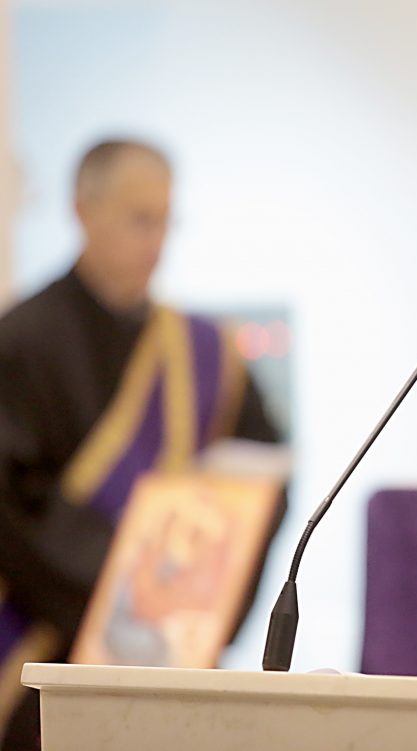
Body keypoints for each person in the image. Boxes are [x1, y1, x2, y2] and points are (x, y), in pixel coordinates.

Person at [0, 140, 286, 750]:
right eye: (140, 219)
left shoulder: (204, 351)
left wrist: (198, 606)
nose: (157, 241)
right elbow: (12, 504)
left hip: (172, 645)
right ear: (83, 210)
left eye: (165, 220)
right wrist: (121, 590)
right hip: (46, 645)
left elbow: (263, 476)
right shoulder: (22, 340)